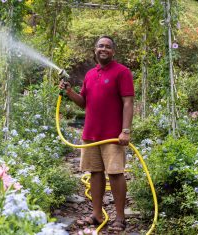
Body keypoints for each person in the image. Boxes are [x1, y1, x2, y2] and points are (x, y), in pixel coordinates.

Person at [59, 35, 134, 232]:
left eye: (108, 46)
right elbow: (84, 102)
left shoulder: (122, 72)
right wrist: (69, 92)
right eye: (100, 46)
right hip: (91, 134)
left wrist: (125, 131)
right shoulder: (90, 74)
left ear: (113, 51)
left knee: (116, 174)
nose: (104, 49)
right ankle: (97, 214)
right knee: (95, 173)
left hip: (113, 135)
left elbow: (128, 102)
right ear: (95, 49)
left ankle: (120, 217)